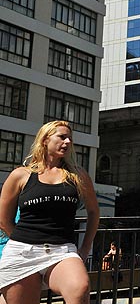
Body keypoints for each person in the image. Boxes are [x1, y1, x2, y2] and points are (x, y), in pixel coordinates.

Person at [0, 120, 99, 304]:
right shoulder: (21, 175)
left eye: (70, 138)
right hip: (23, 253)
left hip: (62, 251)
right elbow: (3, 219)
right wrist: (25, 240)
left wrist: (85, 249)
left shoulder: (78, 175)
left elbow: (93, 212)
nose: (68, 142)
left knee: (80, 289)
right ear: (45, 140)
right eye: (62, 137)